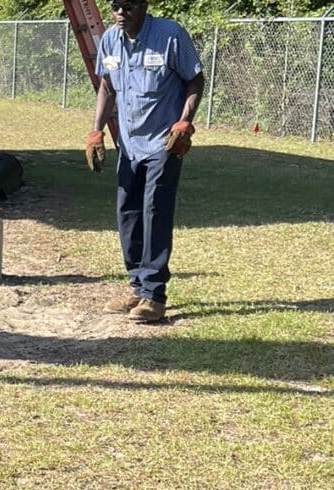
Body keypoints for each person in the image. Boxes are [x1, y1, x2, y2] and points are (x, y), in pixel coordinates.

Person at [87, 0, 203, 323]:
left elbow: (195, 80)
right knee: (128, 213)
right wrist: (96, 131)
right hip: (129, 144)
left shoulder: (170, 35)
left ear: (144, 5)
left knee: (155, 211)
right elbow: (107, 86)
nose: (120, 13)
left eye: (128, 6)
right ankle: (137, 286)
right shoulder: (109, 40)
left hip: (164, 143)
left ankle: (154, 296)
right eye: (115, 6)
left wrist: (184, 122)